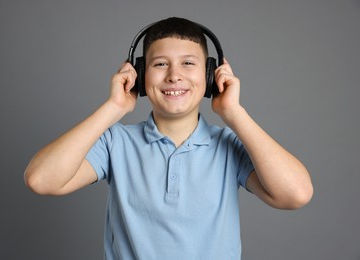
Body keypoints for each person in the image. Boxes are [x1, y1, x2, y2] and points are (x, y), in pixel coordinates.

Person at [24, 17, 313, 259]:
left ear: (211, 76)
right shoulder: (115, 143)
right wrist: (113, 108)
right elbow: (41, 179)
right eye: (160, 64)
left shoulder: (229, 146)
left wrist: (234, 113)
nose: (174, 76)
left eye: (188, 63)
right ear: (139, 74)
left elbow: (296, 194)